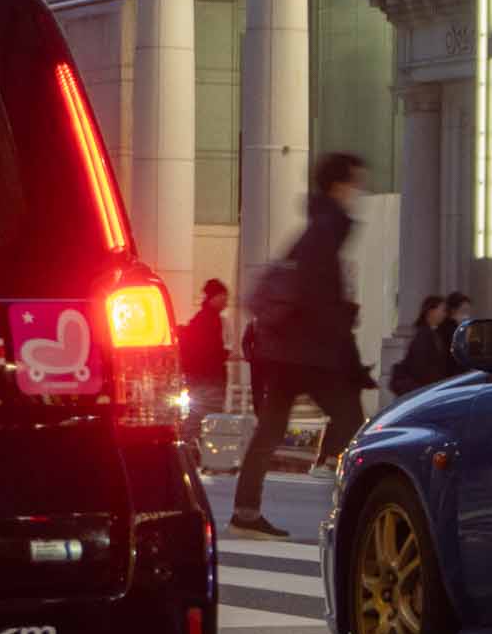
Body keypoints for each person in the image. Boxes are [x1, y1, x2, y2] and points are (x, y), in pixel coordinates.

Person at [228, 152, 370, 540]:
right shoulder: (325, 231)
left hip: (288, 353)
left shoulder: (317, 229)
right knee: (354, 426)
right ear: (338, 186)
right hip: (311, 355)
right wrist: (347, 349)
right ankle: (358, 512)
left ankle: (245, 512)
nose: (357, 192)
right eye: (355, 183)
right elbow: (319, 302)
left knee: (269, 432)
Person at [178, 278, 230, 438]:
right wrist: (224, 354)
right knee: (206, 414)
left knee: (201, 414)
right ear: (214, 297)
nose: (226, 303)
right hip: (207, 377)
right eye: (223, 297)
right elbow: (208, 350)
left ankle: (192, 443)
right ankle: (192, 444)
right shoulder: (208, 320)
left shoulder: (204, 318)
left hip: (201, 376)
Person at [387, 295, 453, 397]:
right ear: (431, 311)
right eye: (442, 310)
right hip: (424, 388)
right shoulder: (423, 335)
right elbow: (420, 365)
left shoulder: (435, 333)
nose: (444, 314)